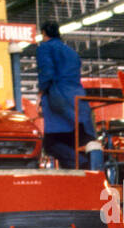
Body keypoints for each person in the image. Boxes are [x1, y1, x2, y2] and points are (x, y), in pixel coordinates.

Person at [35, 22, 95, 168]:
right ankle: (85, 169)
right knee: (77, 140)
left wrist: (41, 93)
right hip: (79, 98)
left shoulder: (45, 47)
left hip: (59, 96)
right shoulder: (71, 51)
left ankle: (80, 163)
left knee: (51, 144)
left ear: (44, 33)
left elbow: (47, 72)